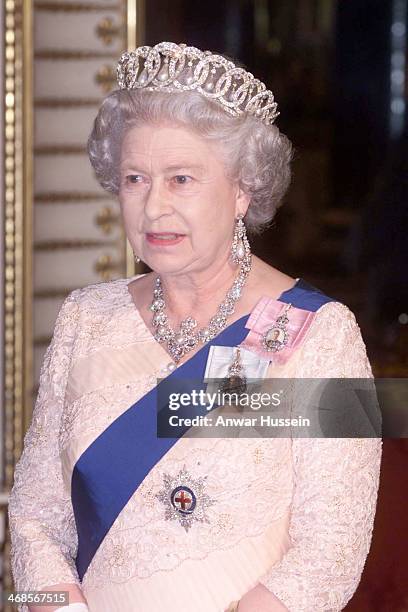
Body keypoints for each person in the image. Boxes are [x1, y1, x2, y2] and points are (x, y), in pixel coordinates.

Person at [8, 41, 382, 612]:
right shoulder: (84, 318)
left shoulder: (323, 332)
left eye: (181, 179)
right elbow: (33, 516)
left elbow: (333, 551)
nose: (154, 206)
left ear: (242, 191)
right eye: (135, 179)